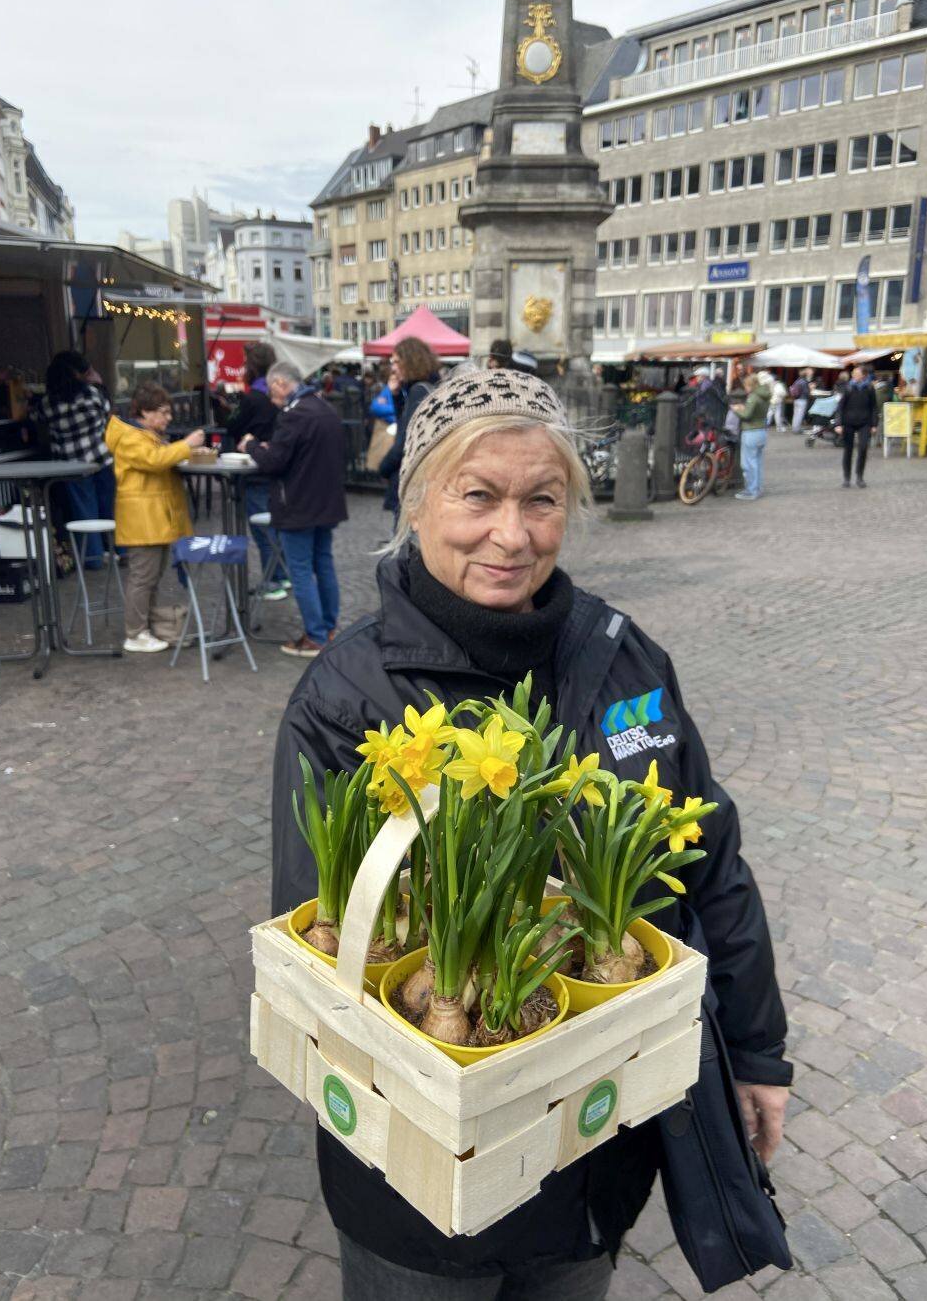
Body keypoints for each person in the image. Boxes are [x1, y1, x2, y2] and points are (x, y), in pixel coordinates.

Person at [270, 366, 791, 1300]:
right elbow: (323, 941)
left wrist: (757, 1051)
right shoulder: (348, 697)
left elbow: (712, 866)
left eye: (542, 499)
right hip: (416, 1191)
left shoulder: (624, 657)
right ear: (417, 501)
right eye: (478, 495)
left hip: (594, 1150)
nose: (512, 534)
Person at [239, 360, 347, 658]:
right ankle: (329, 627)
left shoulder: (294, 415)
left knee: (300, 570)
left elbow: (274, 461)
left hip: (297, 503)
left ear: (279, 384)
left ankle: (315, 636)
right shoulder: (326, 409)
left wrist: (250, 446)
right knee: (323, 564)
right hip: (326, 501)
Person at [105, 383, 203, 654]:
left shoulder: (142, 434)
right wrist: (186, 445)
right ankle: (135, 633)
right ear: (145, 413)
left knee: (150, 577)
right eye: (163, 412)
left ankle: (145, 628)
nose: (168, 417)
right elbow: (154, 460)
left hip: (152, 520)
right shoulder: (131, 437)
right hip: (143, 520)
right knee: (143, 577)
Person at [216, 342, 288, 602]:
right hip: (273, 467)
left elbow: (233, 424)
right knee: (273, 525)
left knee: (262, 529)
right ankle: (281, 573)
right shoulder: (275, 396)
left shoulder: (252, 398)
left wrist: (226, 410)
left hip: (253, 468)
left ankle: (274, 580)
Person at [33, 350, 114, 570]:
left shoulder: (47, 404)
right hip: (101, 459)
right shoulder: (92, 394)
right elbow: (108, 417)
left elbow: (37, 421)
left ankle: (93, 558)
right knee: (111, 508)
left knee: (84, 513)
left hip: (71, 466)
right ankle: (121, 549)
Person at [378, 337, 441, 525]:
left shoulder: (419, 391)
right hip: (425, 478)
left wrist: (383, 468)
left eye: (396, 362)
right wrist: (396, 396)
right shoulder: (427, 387)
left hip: (412, 482)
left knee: (404, 546)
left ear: (411, 360)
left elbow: (405, 441)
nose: (393, 368)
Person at [834, 365, 877, 488]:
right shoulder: (848, 387)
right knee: (848, 450)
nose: (854, 375)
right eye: (853, 373)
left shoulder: (869, 388)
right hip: (848, 422)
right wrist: (838, 424)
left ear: (863, 375)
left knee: (863, 448)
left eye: (857, 373)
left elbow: (874, 407)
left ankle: (860, 476)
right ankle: (846, 477)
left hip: (864, 422)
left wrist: (874, 424)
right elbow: (840, 407)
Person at [731, 371, 772, 501]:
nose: (745, 388)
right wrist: (745, 407)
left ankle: (751, 490)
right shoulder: (765, 395)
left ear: (751, 385)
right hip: (762, 431)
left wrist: (737, 410)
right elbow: (754, 411)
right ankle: (757, 488)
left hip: (751, 432)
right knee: (757, 462)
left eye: (746, 386)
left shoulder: (753, 396)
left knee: (748, 463)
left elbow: (747, 416)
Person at [789, 368, 812, 434]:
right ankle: (797, 429)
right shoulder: (804, 382)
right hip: (802, 400)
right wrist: (810, 389)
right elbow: (806, 392)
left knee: (795, 414)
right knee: (800, 415)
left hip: (796, 399)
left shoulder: (797, 381)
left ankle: (794, 428)